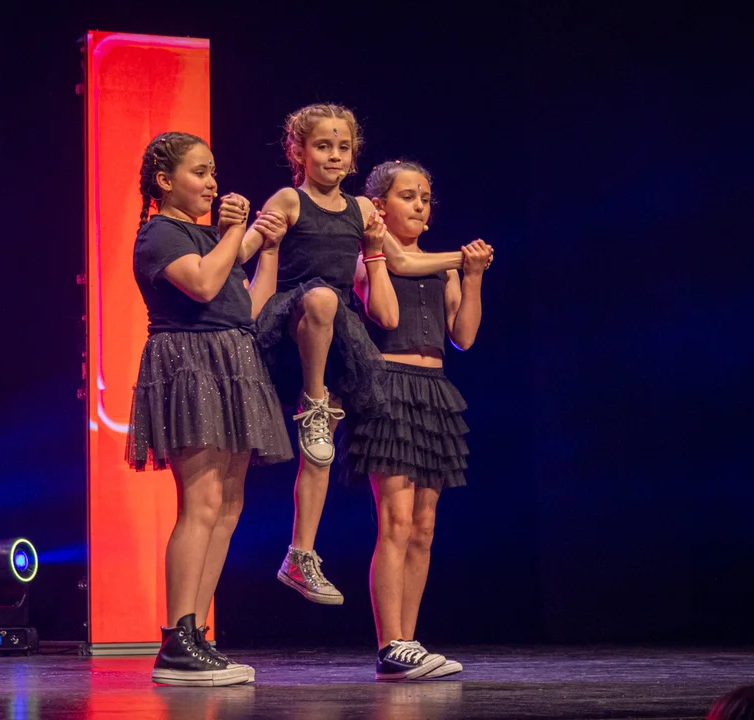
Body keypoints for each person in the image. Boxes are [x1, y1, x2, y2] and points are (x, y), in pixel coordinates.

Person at [236, 104, 491, 605]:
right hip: (297, 317)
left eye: (343, 147)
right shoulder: (288, 198)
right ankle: (313, 400)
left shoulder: (359, 211)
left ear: (354, 156)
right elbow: (247, 251)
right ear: (298, 152)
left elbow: (402, 263)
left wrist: (465, 265)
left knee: (321, 451)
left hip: (337, 334)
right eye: (323, 146)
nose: (334, 155)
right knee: (322, 300)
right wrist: (236, 236)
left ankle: (300, 554)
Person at [127, 131, 293, 686]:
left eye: (213, 172)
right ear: (165, 181)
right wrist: (234, 233)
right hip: (190, 363)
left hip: (232, 358)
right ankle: (176, 640)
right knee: (200, 502)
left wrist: (267, 249)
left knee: (227, 505)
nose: (211, 183)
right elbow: (201, 284)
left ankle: (197, 634)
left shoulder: (209, 238)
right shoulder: (159, 234)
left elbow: (248, 306)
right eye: (199, 172)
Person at [345, 160, 491, 680]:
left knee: (424, 528)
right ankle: (390, 644)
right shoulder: (370, 257)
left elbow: (463, 337)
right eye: (408, 196)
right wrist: (384, 253)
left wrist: (471, 276)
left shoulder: (444, 267)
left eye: (426, 197)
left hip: (434, 391)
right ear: (379, 206)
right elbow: (387, 301)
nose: (420, 205)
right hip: (389, 386)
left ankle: (409, 641)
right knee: (397, 521)